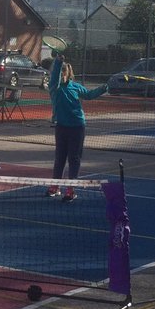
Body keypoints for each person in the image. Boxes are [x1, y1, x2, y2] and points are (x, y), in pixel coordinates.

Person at [47, 54, 108, 201]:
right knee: (59, 158)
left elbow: (89, 95)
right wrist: (58, 61)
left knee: (74, 159)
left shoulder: (75, 87)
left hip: (77, 127)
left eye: (63, 72)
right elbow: (54, 76)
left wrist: (103, 88)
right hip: (61, 127)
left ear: (68, 74)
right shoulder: (54, 87)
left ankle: (71, 189)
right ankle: (55, 187)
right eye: (59, 71)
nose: (61, 74)